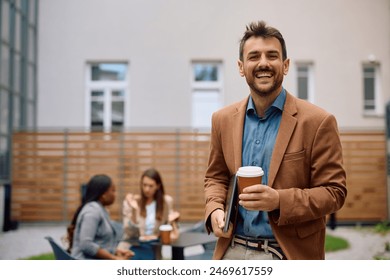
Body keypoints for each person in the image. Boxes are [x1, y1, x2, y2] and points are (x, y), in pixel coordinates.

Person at [204, 20, 347, 260]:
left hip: (288, 255)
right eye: (254, 56)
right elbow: (215, 177)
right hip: (232, 251)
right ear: (241, 67)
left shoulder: (318, 121)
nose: (263, 63)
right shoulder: (222, 120)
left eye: (272, 56)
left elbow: (335, 192)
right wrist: (215, 209)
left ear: (285, 64)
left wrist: (279, 200)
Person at [66, 174, 134, 260]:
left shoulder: (101, 209)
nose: (115, 194)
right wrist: (114, 258)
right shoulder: (92, 212)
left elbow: (100, 243)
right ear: (103, 195)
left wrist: (116, 251)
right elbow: (86, 244)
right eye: (113, 191)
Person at [118, 168, 180, 260]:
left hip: (153, 246)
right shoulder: (132, 202)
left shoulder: (166, 202)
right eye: (144, 185)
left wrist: (174, 220)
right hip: (133, 245)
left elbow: (171, 230)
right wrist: (134, 211)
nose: (147, 189)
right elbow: (129, 232)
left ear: (158, 186)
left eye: (151, 186)